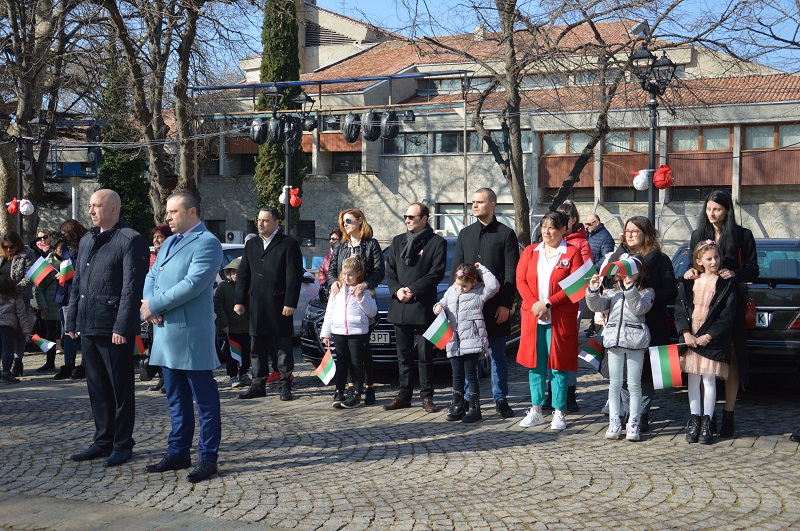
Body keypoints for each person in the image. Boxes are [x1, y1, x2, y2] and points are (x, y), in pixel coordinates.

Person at [141, 190, 224, 484]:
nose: (167, 217)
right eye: (167, 212)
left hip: (190, 335)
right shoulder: (169, 242)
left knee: (205, 400)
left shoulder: (208, 243)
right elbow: (152, 277)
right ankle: (178, 451)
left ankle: (207, 457)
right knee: (175, 398)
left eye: (173, 212)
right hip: (165, 332)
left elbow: (193, 285)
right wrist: (148, 304)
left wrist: (155, 304)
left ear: (192, 212)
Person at [66, 189, 149, 468]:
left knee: (120, 389)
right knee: (97, 387)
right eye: (89, 206)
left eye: (96, 206)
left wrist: (123, 326)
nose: (90, 211)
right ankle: (103, 440)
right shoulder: (87, 239)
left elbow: (131, 287)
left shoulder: (131, 239)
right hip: (89, 325)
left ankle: (123, 444)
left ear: (113, 208)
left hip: (113, 326)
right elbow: (78, 283)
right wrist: (72, 321)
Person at [685, 190, 758, 437]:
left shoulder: (742, 235)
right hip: (703, 304)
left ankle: (728, 413)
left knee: (731, 357)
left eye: (716, 208)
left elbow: (753, 269)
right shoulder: (698, 235)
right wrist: (691, 273)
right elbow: (690, 266)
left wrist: (734, 273)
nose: (711, 213)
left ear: (727, 209)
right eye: (708, 208)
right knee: (704, 360)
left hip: (730, 303)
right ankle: (708, 417)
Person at [603, 216, 677, 433]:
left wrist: (650, 291)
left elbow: (672, 290)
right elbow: (607, 281)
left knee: (647, 373)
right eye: (627, 231)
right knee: (622, 374)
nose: (631, 234)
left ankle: (641, 414)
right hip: (620, 325)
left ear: (646, 234)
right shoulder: (620, 255)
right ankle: (626, 412)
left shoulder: (660, 259)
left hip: (651, 321)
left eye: (635, 231)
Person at [452, 188, 519, 418]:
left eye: (480, 202)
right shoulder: (465, 233)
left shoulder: (506, 234)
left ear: (492, 205)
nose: (475, 206)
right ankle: (472, 400)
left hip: (494, 307)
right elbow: (456, 272)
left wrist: (505, 305)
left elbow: (511, 274)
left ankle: (500, 399)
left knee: (498, 354)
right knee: (470, 356)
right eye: (473, 202)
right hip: (469, 310)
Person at [516, 211, 584, 431]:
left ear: (564, 230)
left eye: (552, 227)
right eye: (544, 226)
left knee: (559, 365)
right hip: (534, 318)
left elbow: (576, 285)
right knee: (535, 364)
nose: (546, 231)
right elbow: (521, 280)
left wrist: (548, 304)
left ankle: (558, 411)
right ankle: (536, 409)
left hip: (559, 319)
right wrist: (536, 305)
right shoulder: (530, 252)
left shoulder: (572, 253)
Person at [235, 206, 304, 402]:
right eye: (259, 220)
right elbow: (244, 274)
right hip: (256, 304)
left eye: (265, 220)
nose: (260, 224)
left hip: (279, 304)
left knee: (282, 347)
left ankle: (285, 384)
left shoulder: (288, 243)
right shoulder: (252, 244)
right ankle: (258, 384)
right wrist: (239, 300)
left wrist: (290, 302)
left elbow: (294, 276)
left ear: (276, 222)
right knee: (257, 347)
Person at [384, 202, 447, 413]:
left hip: (421, 305)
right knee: (403, 355)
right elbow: (390, 270)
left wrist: (412, 289)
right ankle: (404, 394)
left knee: (424, 354)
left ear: (424, 219)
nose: (408, 220)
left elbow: (436, 273)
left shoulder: (437, 242)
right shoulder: (398, 241)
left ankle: (427, 396)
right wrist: (396, 290)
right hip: (399, 304)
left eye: (412, 217)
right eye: (406, 217)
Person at [675, 240, 738, 445]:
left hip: (710, 338)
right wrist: (686, 333)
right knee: (693, 380)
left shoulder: (726, 284)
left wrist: (708, 336)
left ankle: (707, 421)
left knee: (709, 380)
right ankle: (694, 419)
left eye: (717, 258)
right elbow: (680, 309)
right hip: (691, 337)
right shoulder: (690, 281)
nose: (714, 262)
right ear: (698, 261)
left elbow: (727, 316)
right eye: (709, 258)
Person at [586, 255, 654, 441]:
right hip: (614, 341)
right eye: (621, 271)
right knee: (614, 384)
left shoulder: (647, 292)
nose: (624, 275)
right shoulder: (611, 292)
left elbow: (639, 309)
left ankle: (634, 422)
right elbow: (596, 305)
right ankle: (614, 421)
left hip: (635, 342)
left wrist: (630, 289)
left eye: (629, 271)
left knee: (634, 384)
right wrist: (593, 290)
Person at [326, 209, 384, 404]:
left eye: (349, 220)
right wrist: (333, 281)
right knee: (346, 353)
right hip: (343, 298)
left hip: (362, 298)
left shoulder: (371, 244)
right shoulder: (341, 246)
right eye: (343, 221)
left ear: (360, 221)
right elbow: (332, 270)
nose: (346, 224)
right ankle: (350, 388)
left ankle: (367, 387)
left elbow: (379, 272)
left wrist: (365, 285)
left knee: (362, 349)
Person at [435, 263, 499, 424]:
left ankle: (474, 407)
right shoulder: (451, 290)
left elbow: (493, 285)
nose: (461, 288)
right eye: (458, 284)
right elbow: (442, 301)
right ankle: (457, 405)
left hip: (472, 339)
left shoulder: (479, 292)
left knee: (471, 375)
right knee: (456, 375)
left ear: (473, 282)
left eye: (464, 286)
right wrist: (438, 307)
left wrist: (482, 269)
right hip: (453, 340)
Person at [320, 255, 378, 409]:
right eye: (344, 274)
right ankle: (339, 390)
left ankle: (358, 392)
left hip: (357, 332)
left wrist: (360, 298)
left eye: (350, 275)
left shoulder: (365, 291)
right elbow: (329, 312)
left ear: (358, 273)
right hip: (338, 331)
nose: (347, 278)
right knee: (341, 362)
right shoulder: (336, 290)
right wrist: (326, 333)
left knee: (357, 363)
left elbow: (372, 312)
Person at [554, 200, 593, 413]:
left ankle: (569, 393)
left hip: (570, 303)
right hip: (550, 303)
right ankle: (552, 392)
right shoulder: (551, 241)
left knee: (566, 349)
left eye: (565, 218)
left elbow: (584, 276)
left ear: (573, 220)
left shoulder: (581, 244)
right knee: (549, 349)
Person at [54, 219, 88, 380]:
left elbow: (84, 268)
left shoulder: (85, 244)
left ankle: (84, 365)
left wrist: (69, 273)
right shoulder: (66, 247)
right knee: (68, 331)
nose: (63, 236)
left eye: (65, 233)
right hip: (65, 293)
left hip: (81, 292)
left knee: (83, 331)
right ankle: (68, 365)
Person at [0, 231, 36, 377]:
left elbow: (31, 275)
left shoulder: (27, 254)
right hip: (2, 298)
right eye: (6, 247)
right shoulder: (2, 256)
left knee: (19, 330)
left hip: (19, 296)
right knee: (4, 331)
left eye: (12, 246)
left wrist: (14, 290)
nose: (9, 249)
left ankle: (18, 359)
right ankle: (6, 363)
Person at [214, 257, 252, 388]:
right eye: (233, 272)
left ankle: (244, 373)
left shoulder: (247, 287)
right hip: (230, 328)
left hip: (246, 327)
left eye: (239, 272)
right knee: (232, 354)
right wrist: (223, 324)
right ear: (228, 273)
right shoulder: (223, 287)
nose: (236, 274)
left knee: (246, 353)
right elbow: (218, 306)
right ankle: (233, 376)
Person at [33, 239, 64, 373]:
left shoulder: (72, 262)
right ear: (54, 250)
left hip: (66, 303)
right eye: (60, 249)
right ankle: (49, 362)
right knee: (49, 334)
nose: (63, 252)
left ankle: (70, 363)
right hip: (49, 304)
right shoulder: (45, 264)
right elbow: (37, 288)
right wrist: (42, 304)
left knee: (69, 334)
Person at [583, 213, 615, 337]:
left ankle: (596, 327)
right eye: (586, 224)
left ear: (597, 223)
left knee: (597, 302)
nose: (587, 226)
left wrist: (593, 269)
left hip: (597, 275)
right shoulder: (590, 235)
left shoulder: (605, 238)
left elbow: (606, 258)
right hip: (590, 273)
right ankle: (593, 326)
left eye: (589, 224)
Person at [0, 275, 32, 384]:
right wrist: (26, 330)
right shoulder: (15, 297)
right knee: (7, 350)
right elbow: (22, 315)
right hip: (8, 327)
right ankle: (6, 373)